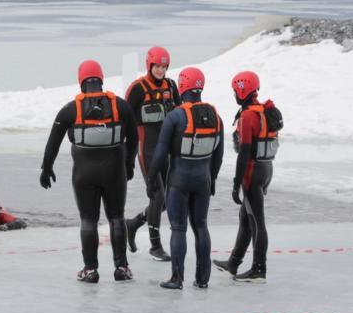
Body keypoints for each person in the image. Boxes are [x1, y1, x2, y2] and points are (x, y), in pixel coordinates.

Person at [39, 60, 138, 283]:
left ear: (80, 81)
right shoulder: (120, 106)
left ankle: (90, 269)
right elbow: (134, 138)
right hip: (115, 172)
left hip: (84, 175)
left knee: (88, 219)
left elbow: (53, 142)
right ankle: (122, 267)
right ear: (101, 79)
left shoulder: (70, 109)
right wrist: (129, 164)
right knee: (116, 217)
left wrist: (47, 168)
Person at [145, 67, 224, 290]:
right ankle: (203, 279)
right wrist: (212, 179)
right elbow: (219, 154)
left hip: (179, 180)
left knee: (178, 228)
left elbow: (160, 153)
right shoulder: (215, 116)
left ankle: (176, 279)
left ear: (182, 86)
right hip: (203, 179)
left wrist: (152, 179)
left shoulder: (175, 116)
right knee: (201, 226)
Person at [213, 71, 279, 282]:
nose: (234, 94)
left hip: (252, 173)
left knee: (257, 221)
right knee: (245, 218)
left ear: (242, 90)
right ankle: (233, 263)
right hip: (266, 169)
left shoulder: (247, 116)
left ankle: (259, 268)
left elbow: (244, 154)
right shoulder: (263, 111)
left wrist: (236, 184)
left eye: (235, 91)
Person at [124, 46, 181, 261]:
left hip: (167, 151)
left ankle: (133, 224)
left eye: (164, 67)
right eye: (157, 66)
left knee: (165, 201)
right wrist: (127, 158)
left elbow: (181, 115)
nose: (161, 70)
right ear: (149, 65)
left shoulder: (171, 86)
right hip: (147, 150)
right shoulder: (137, 88)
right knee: (157, 195)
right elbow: (126, 123)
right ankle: (155, 246)